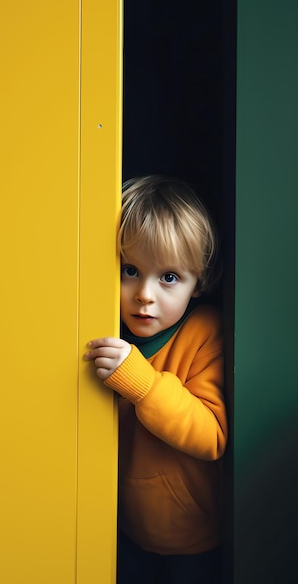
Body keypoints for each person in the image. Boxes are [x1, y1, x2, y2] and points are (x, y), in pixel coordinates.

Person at [84, 175, 228, 584]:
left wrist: (143, 384)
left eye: (168, 278)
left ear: (198, 281)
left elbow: (212, 435)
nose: (144, 294)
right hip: (121, 524)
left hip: (191, 533)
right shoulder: (100, 325)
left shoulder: (204, 332)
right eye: (130, 270)